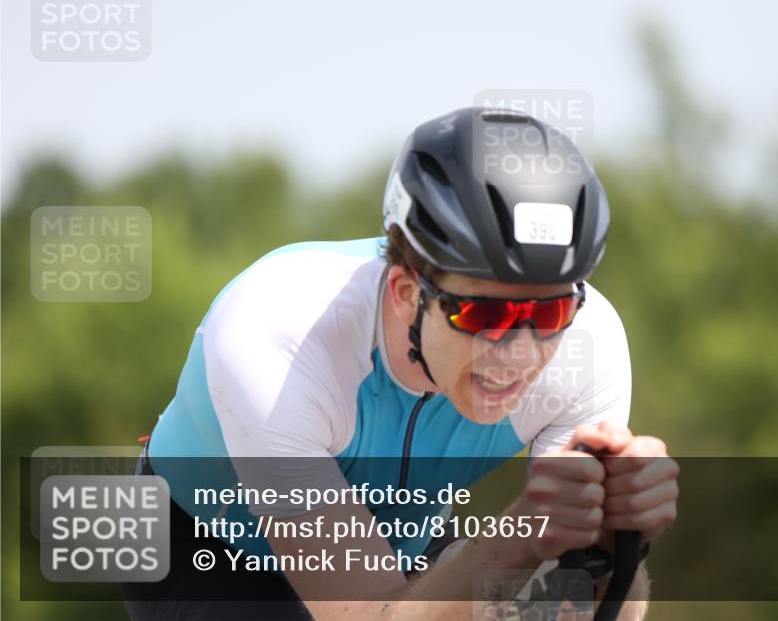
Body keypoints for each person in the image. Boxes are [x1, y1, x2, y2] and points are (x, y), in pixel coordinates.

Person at [120, 107, 679, 621]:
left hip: (403, 542)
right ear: (407, 292)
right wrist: (520, 535)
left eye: (552, 310)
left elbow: (577, 609)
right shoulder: (276, 335)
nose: (521, 353)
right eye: (487, 314)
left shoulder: (591, 342)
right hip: (209, 548)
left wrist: (616, 541)